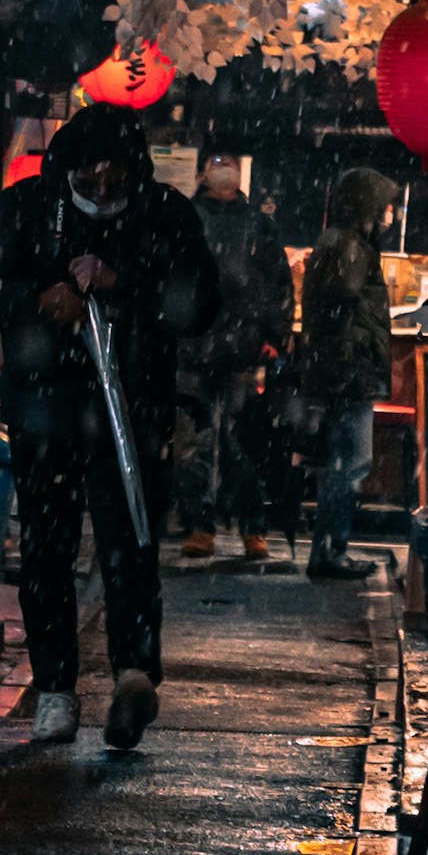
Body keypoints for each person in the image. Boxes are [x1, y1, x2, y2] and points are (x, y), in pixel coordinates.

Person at [0, 103, 218, 750]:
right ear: (66, 168)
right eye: (89, 179)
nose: (102, 191)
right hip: (46, 409)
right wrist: (36, 299)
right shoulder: (28, 207)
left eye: (114, 180)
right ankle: (56, 688)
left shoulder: (164, 213)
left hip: (134, 409)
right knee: (47, 547)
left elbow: (199, 302)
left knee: (131, 540)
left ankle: (134, 673)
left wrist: (122, 282)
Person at [171, 146, 292, 561]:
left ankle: (252, 529)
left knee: (245, 443)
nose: (224, 172)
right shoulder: (183, 220)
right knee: (194, 444)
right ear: (202, 173)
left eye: (230, 165)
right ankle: (199, 525)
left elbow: (280, 285)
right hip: (193, 348)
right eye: (217, 165)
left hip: (243, 350)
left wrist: (275, 335)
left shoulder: (259, 224)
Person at [291, 170, 398, 579]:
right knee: (351, 463)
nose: (388, 213)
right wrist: (353, 362)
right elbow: (341, 306)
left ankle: (331, 550)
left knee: (346, 464)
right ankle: (330, 553)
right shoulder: (349, 246)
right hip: (348, 376)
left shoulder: (343, 242)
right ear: (366, 204)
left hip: (342, 373)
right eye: (383, 204)